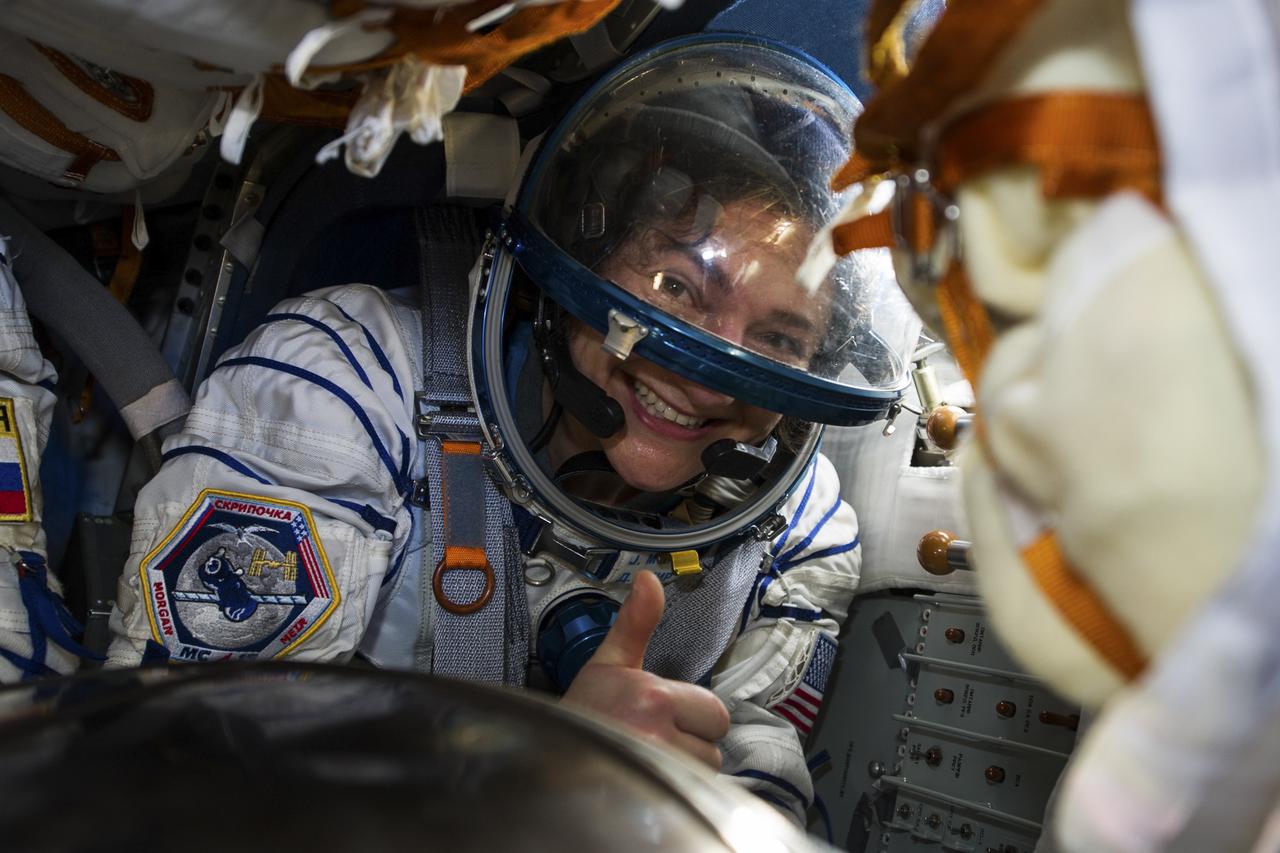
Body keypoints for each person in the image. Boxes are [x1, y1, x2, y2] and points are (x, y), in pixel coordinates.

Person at [106, 35, 920, 823]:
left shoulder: (799, 534)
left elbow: (756, 778)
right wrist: (539, 778)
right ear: (584, 265)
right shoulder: (347, 382)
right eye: (675, 285)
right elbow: (183, 776)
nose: (708, 372)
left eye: (778, 339)